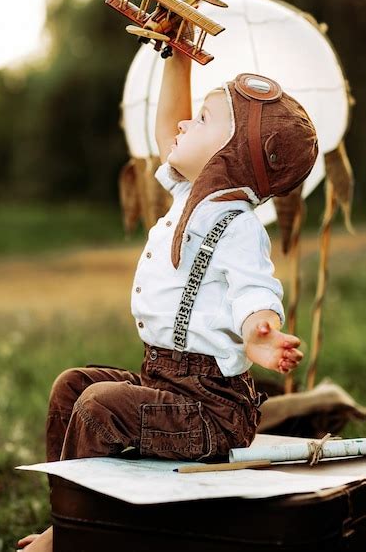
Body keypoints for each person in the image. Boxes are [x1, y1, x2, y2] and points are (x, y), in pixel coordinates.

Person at [17, 50, 318, 551]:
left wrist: (259, 331)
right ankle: (70, 520)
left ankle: (74, 538)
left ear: (229, 154)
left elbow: (255, 288)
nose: (183, 123)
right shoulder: (188, 195)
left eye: (201, 119)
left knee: (97, 408)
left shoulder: (237, 225)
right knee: (74, 388)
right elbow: (167, 133)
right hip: (166, 381)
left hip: (212, 410)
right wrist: (177, 57)